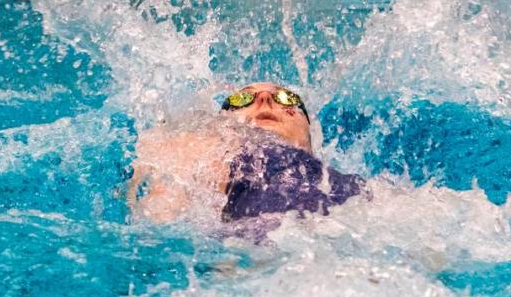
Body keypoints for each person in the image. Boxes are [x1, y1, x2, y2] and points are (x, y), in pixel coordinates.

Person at [128, 82, 366, 226]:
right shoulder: (206, 150)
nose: (264, 99)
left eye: (287, 98)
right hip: (264, 243)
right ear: (220, 124)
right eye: (242, 99)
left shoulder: (354, 187)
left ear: (309, 132)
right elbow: (160, 218)